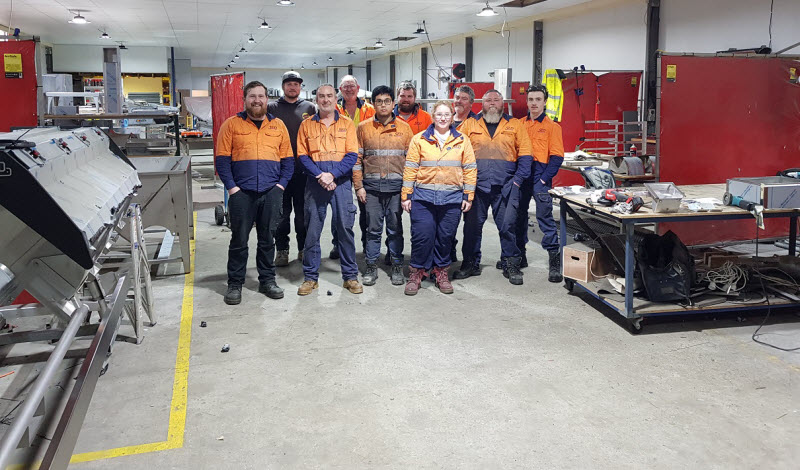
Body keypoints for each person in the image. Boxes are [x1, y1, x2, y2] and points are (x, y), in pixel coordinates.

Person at [215, 81, 294, 305]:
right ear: (245, 99)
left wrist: (280, 187)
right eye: (252, 96)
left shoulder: (278, 126)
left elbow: (288, 161)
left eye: (261, 96)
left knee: (267, 240)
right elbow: (222, 160)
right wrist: (233, 189)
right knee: (239, 240)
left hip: (271, 191)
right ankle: (235, 283)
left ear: (267, 99)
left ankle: (267, 280)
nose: (257, 100)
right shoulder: (231, 125)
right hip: (242, 193)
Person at [454, 90, 533, 285]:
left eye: (496, 100)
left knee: (508, 226)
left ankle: (510, 263)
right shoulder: (470, 124)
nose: (491, 103)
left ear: (502, 104)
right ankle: (470, 263)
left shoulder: (515, 125)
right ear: (481, 104)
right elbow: (457, 151)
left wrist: (517, 181)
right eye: (488, 100)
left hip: (506, 185)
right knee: (472, 228)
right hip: (477, 186)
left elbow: (525, 155)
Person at [401, 100, 476, 295]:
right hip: (423, 198)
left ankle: (441, 272)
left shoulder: (462, 140)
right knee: (422, 236)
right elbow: (410, 169)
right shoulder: (419, 140)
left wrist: (468, 196)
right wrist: (406, 195)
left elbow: (469, 169)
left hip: (451, 199)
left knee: (445, 238)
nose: (443, 118)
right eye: (439, 114)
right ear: (433, 117)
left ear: (452, 117)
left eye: (447, 114)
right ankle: (417, 272)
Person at [296, 84, 363, 295]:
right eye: (321, 96)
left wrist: (332, 174)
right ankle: (310, 277)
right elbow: (302, 156)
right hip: (315, 183)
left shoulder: (347, 124)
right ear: (316, 99)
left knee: (345, 229)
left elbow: (352, 155)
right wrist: (320, 175)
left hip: (340, 183)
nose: (325, 100)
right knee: (313, 231)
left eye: (329, 96)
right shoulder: (306, 125)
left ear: (336, 99)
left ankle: (350, 277)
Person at [353, 85, 414, 286]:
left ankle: (397, 266)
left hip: (397, 189)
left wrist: (407, 191)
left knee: (395, 229)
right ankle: (371, 266)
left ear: (393, 103)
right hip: (371, 189)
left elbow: (411, 162)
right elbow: (357, 159)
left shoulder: (405, 129)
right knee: (373, 229)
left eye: (387, 101)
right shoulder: (363, 128)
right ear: (373, 104)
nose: (383, 105)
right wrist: (359, 186)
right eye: (378, 101)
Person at [269, 71, 317, 267]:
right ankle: (282, 250)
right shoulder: (272, 108)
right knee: (281, 214)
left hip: (303, 171)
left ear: (300, 87)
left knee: (303, 215)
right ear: (283, 86)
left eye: (296, 84)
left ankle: (303, 248)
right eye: (289, 84)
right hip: (279, 172)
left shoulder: (309, 107)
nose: (292, 87)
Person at [518, 84, 565, 282]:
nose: (534, 103)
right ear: (527, 101)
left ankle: (554, 261)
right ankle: (520, 255)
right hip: (522, 174)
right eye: (531, 99)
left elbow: (557, 157)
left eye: (538, 99)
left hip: (540, 174)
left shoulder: (553, 127)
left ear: (545, 102)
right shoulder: (519, 124)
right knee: (518, 216)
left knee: (544, 217)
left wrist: (544, 179)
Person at [330, 75, 376, 260]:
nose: (349, 89)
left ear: (358, 88)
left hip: (363, 165)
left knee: (366, 207)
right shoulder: (333, 108)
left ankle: (367, 244)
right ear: (340, 89)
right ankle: (337, 244)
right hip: (339, 164)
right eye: (345, 86)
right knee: (339, 207)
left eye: (352, 86)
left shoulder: (370, 110)